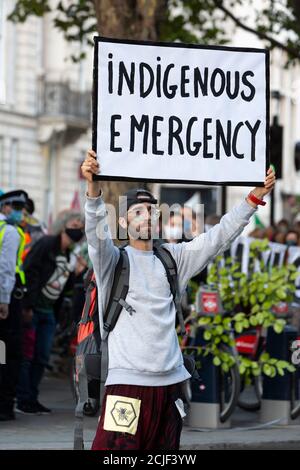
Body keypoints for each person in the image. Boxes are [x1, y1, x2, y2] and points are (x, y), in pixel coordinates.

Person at [82, 149, 276, 451]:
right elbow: (95, 238)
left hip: (170, 387)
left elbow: (219, 237)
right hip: (127, 387)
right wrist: (94, 190)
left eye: (150, 211)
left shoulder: (173, 258)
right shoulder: (113, 263)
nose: (145, 216)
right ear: (123, 221)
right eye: (137, 212)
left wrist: (254, 197)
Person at [16, 210, 84, 414]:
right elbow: (29, 271)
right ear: (63, 225)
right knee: (27, 356)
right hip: (34, 310)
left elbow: (66, 287)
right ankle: (23, 399)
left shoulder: (70, 255)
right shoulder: (47, 244)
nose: (78, 228)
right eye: (74, 223)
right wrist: (28, 306)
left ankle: (32, 398)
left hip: (49, 312)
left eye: (81, 225)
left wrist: (77, 275)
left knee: (42, 357)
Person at [0, 189, 28, 421]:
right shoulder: (9, 231)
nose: (20, 213)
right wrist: (4, 301)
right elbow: (7, 269)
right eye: (17, 209)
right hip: (9, 300)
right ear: (5, 207)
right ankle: (5, 406)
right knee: (11, 353)